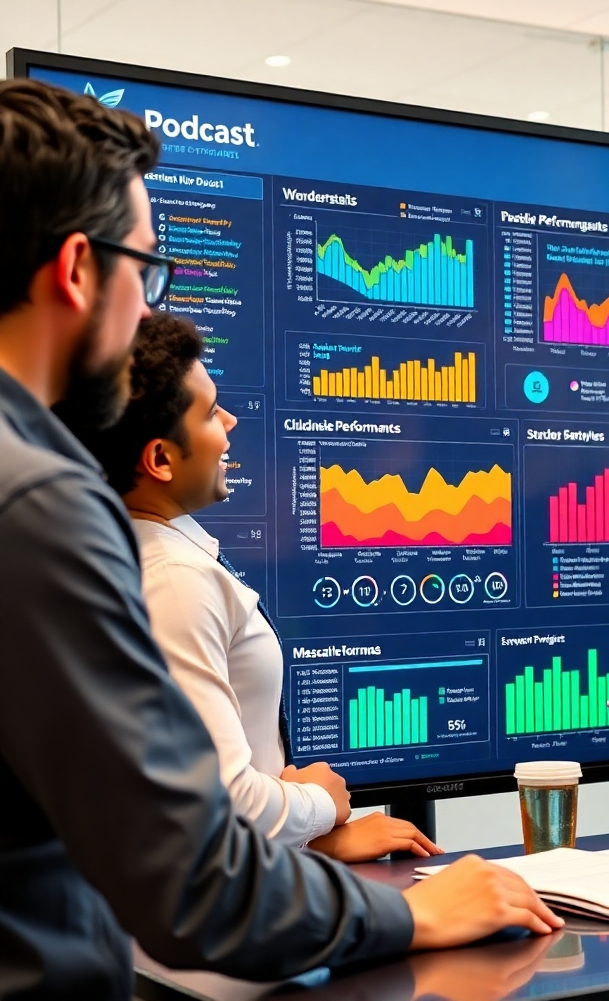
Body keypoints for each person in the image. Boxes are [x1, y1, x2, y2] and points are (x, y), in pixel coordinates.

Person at [0, 78, 560, 1001]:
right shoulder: (39, 503)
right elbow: (191, 878)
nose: (149, 313)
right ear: (74, 269)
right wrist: (414, 913)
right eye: (147, 272)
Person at [79, 314, 441, 861]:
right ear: (159, 459)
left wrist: (312, 839)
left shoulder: (162, 558)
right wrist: (320, 804)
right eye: (208, 412)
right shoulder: (174, 582)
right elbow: (221, 807)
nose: (231, 420)